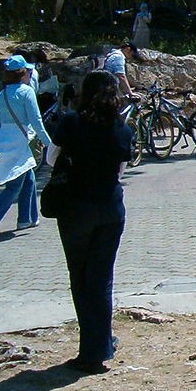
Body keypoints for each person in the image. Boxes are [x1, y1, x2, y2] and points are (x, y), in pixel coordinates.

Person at [48, 70, 133, 374]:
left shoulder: (71, 122)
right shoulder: (123, 129)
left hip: (75, 210)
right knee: (101, 279)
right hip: (110, 210)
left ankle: (91, 351)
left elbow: (50, 159)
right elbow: (121, 170)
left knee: (81, 279)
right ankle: (101, 344)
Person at [0, 55, 54, 236]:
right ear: (23, 74)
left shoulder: (3, 94)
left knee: (28, 177)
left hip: (5, 141)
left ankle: (26, 219)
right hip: (19, 142)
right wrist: (50, 145)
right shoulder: (26, 92)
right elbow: (36, 121)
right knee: (15, 185)